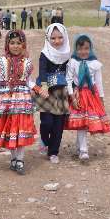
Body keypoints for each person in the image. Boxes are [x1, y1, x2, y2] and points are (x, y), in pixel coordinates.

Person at [0, 30, 40, 175]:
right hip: (6, 101)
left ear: (23, 45)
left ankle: (20, 160)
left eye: (19, 43)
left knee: (20, 129)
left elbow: (28, 81)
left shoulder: (27, 63)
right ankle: (14, 159)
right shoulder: (0, 63)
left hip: (22, 102)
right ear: (7, 44)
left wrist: (37, 88)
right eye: (12, 43)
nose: (15, 46)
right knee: (10, 130)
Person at [65, 34, 110, 162]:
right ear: (76, 49)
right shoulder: (73, 62)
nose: (83, 52)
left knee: (86, 123)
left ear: (90, 48)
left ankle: (80, 146)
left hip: (91, 95)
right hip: (78, 95)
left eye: (86, 48)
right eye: (80, 49)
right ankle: (83, 150)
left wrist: (101, 99)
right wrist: (72, 96)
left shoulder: (95, 64)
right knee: (81, 123)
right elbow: (68, 80)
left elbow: (98, 82)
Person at [33, 23, 71, 164]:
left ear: (65, 37)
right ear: (48, 38)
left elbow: (70, 74)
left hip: (61, 92)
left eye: (60, 37)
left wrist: (73, 91)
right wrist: (43, 86)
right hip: (46, 91)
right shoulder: (45, 54)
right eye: (53, 38)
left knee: (58, 125)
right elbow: (42, 71)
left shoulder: (67, 54)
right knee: (47, 122)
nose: (57, 41)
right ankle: (44, 140)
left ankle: (53, 152)